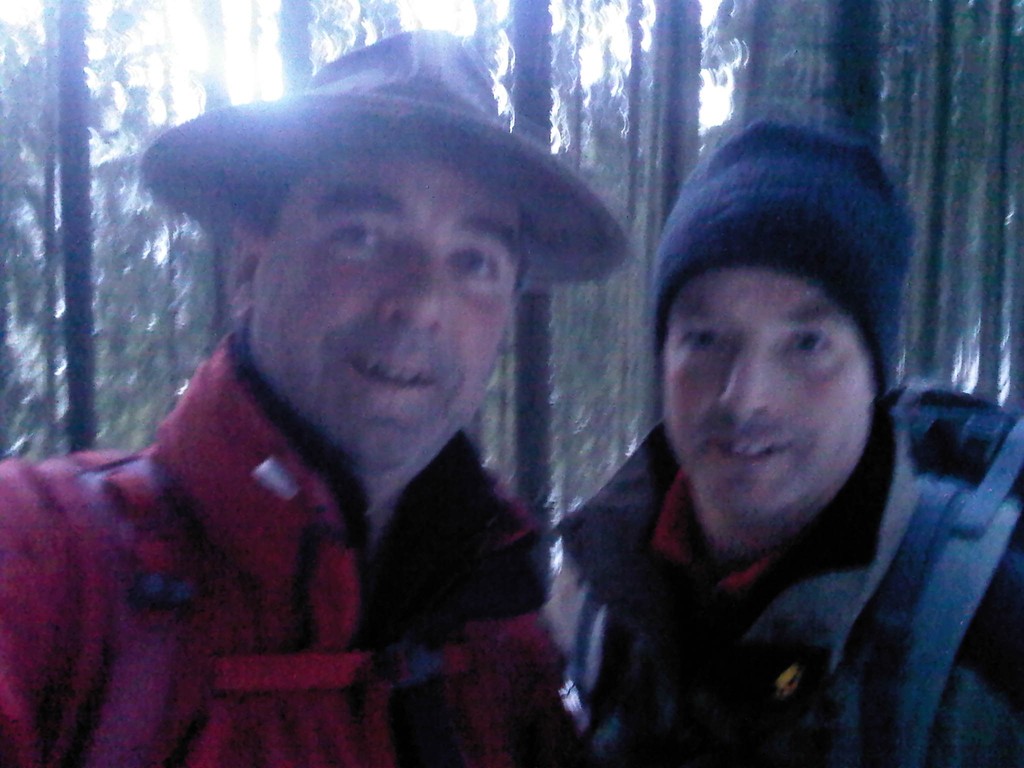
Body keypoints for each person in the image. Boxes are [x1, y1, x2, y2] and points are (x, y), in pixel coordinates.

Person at [0, 30, 627, 767]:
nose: (422, 301)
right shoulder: (48, 563)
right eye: (361, 235)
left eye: (473, 261)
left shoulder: (505, 651)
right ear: (249, 266)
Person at [547, 120, 1024, 767]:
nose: (745, 398)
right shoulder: (590, 600)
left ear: (875, 376)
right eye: (704, 338)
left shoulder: (992, 641)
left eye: (806, 343)